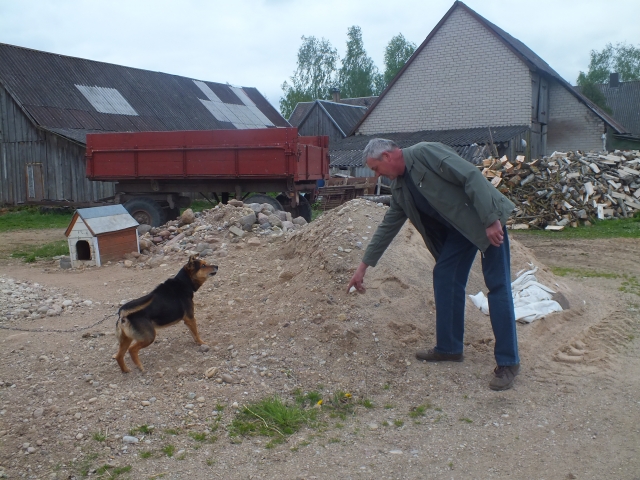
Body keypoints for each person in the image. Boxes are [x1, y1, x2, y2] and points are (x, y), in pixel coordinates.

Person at [347, 139, 520, 391]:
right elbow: (387, 227)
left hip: (485, 219)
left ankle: (508, 363)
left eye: (375, 168)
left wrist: (491, 219)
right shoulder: (399, 188)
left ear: (387, 156)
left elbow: (470, 175)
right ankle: (449, 348)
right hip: (459, 233)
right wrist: (362, 268)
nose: (376, 175)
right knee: (445, 275)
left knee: (497, 286)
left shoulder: (425, 153)